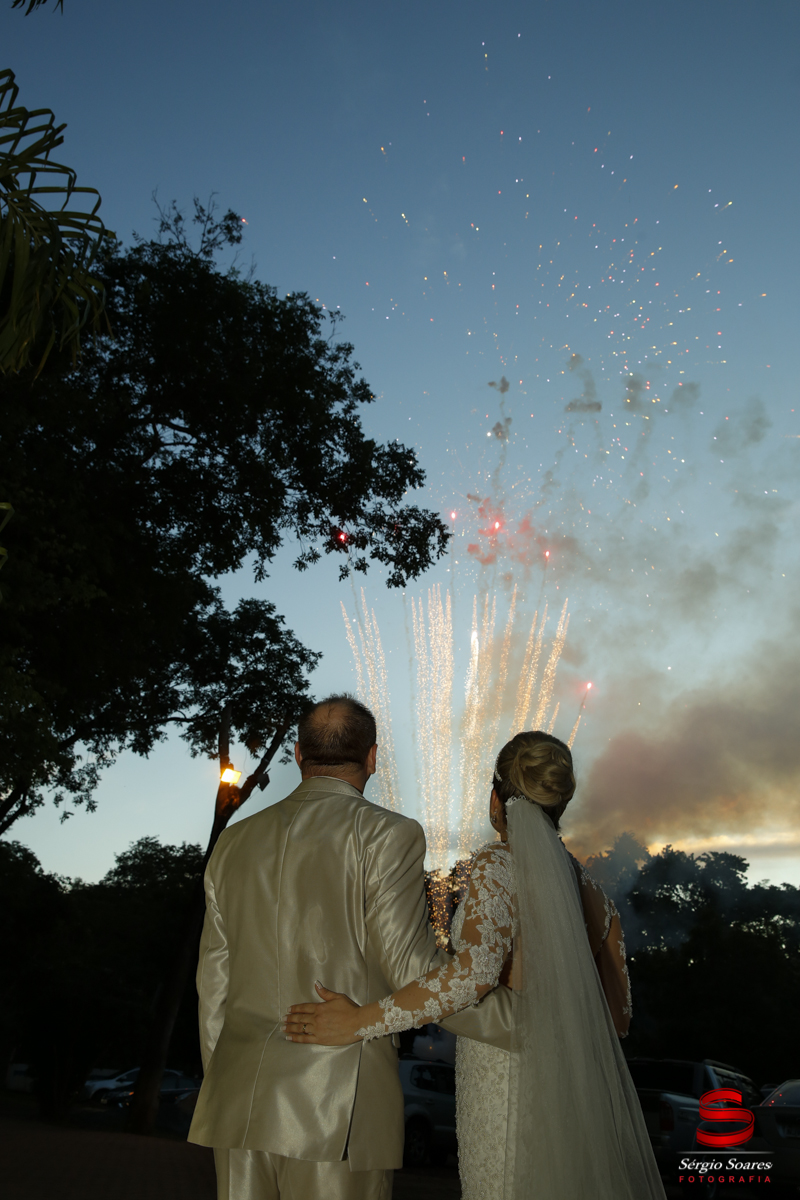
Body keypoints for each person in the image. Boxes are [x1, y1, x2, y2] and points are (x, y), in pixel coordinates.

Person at [284, 731, 667, 1200]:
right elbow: (617, 1020)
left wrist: (361, 1021)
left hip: (507, 1088)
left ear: (495, 798)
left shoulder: (498, 865)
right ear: (559, 805)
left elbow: (474, 974)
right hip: (578, 1099)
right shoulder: (602, 905)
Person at [188, 694, 512, 1200]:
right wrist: (515, 1021)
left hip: (239, 1101)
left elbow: (213, 984)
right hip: (336, 1107)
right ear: (372, 758)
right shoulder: (389, 835)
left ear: (297, 754)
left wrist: (226, 1077)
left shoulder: (233, 841)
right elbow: (411, 968)